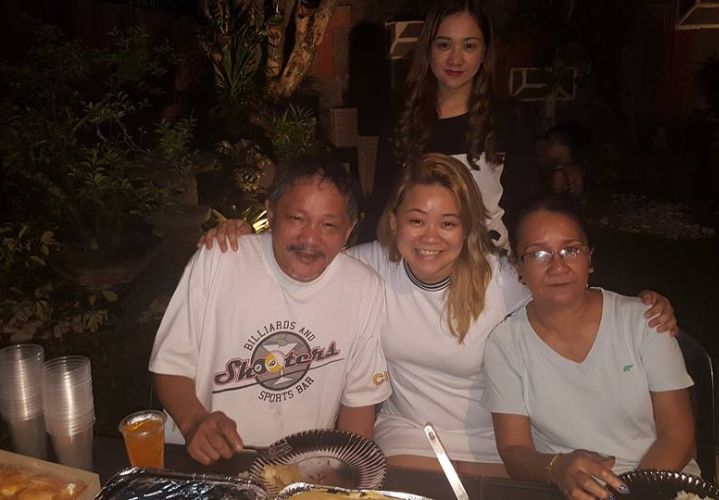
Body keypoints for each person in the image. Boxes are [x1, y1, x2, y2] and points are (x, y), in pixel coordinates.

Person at [201, 154, 678, 478]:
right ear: (394, 222)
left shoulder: (503, 280)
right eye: (416, 220)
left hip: (502, 438)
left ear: (468, 227)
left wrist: (643, 307)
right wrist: (246, 240)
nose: (430, 237)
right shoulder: (367, 266)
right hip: (409, 435)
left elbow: (564, 289)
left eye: (448, 222)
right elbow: (302, 253)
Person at [149, 156, 391, 465]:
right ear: (271, 213)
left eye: (329, 225)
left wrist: (348, 476)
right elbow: (171, 364)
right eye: (297, 219)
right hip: (206, 459)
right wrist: (194, 421)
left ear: (348, 231)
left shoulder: (364, 287)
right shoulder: (221, 259)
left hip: (299, 468)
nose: (310, 239)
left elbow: (358, 401)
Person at [482, 197, 698, 499]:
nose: (557, 266)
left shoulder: (644, 321)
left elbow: (678, 437)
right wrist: (557, 468)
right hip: (571, 491)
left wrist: (630, 494)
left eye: (570, 250)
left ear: (590, 259)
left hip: (662, 482)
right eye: (539, 253)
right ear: (519, 267)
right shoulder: (505, 345)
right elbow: (514, 450)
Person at [359, 0, 540, 246]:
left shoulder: (509, 118)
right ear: (428, 49)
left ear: (484, 52)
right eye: (444, 45)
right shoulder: (401, 119)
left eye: (469, 46)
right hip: (419, 262)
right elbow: (382, 203)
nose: (456, 59)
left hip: (490, 266)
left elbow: (527, 206)